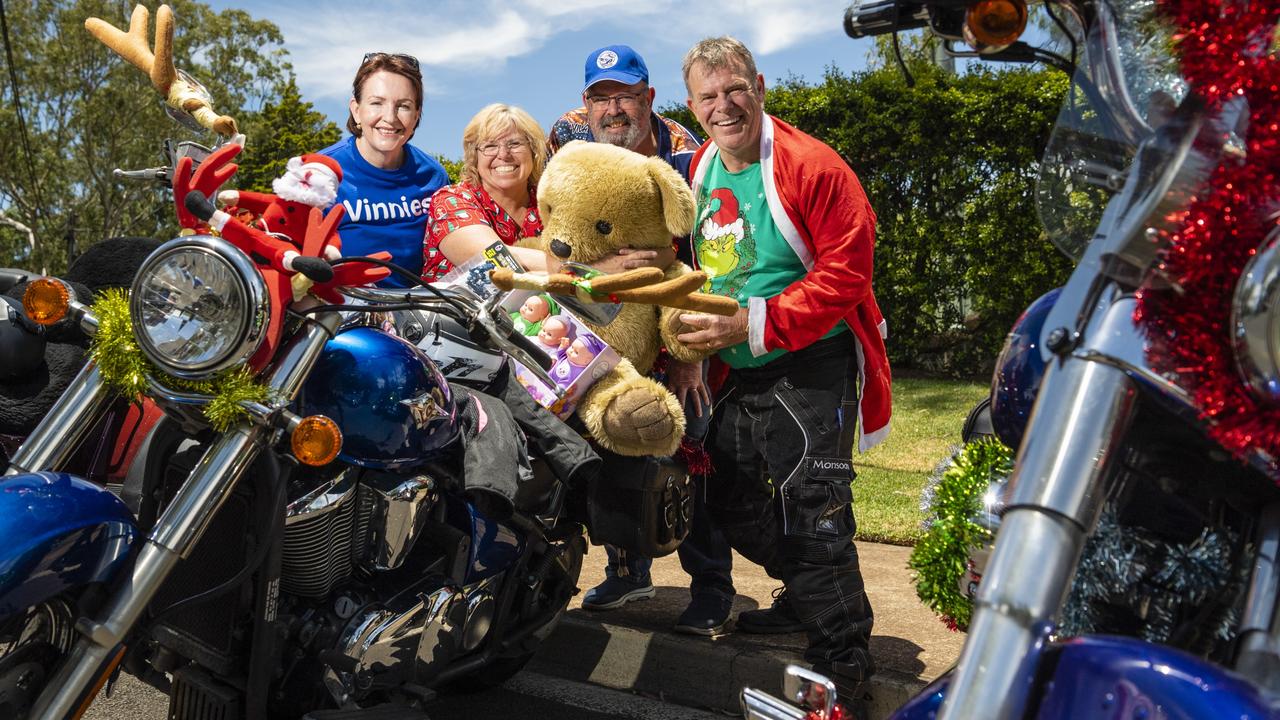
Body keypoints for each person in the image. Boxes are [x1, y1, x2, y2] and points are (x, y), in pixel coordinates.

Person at [674, 36, 892, 717]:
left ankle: (843, 658)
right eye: (708, 96)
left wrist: (753, 322)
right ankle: (808, 594)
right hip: (740, 366)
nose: (723, 105)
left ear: (760, 85)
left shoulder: (814, 166)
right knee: (725, 497)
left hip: (813, 359)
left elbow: (848, 273)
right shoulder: (702, 165)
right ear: (692, 106)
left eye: (734, 89)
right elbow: (699, 264)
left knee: (813, 510)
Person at [550, 45, 736, 638]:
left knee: (687, 451)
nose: (613, 108)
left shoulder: (687, 154)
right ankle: (628, 571)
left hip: (670, 325)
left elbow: (711, 251)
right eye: (601, 97)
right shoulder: (568, 141)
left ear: (649, 98)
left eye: (625, 95)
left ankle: (712, 585)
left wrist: (690, 359)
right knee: (612, 449)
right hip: (602, 334)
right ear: (586, 104)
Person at [424, 103, 660, 280]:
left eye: (515, 144)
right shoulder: (451, 200)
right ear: (474, 156)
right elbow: (493, 258)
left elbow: (612, 242)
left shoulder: (551, 201)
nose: (503, 154)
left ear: (534, 151)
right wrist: (592, 269)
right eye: (489, 146)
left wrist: (635, 260)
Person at [320, 53, 449, 286]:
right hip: (341, 310)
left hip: (418, 311)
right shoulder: (319, 173)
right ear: (356, 110)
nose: (390, 117)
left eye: (403, 106)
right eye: (377, 103)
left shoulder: (434, 177)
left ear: (417, 114)